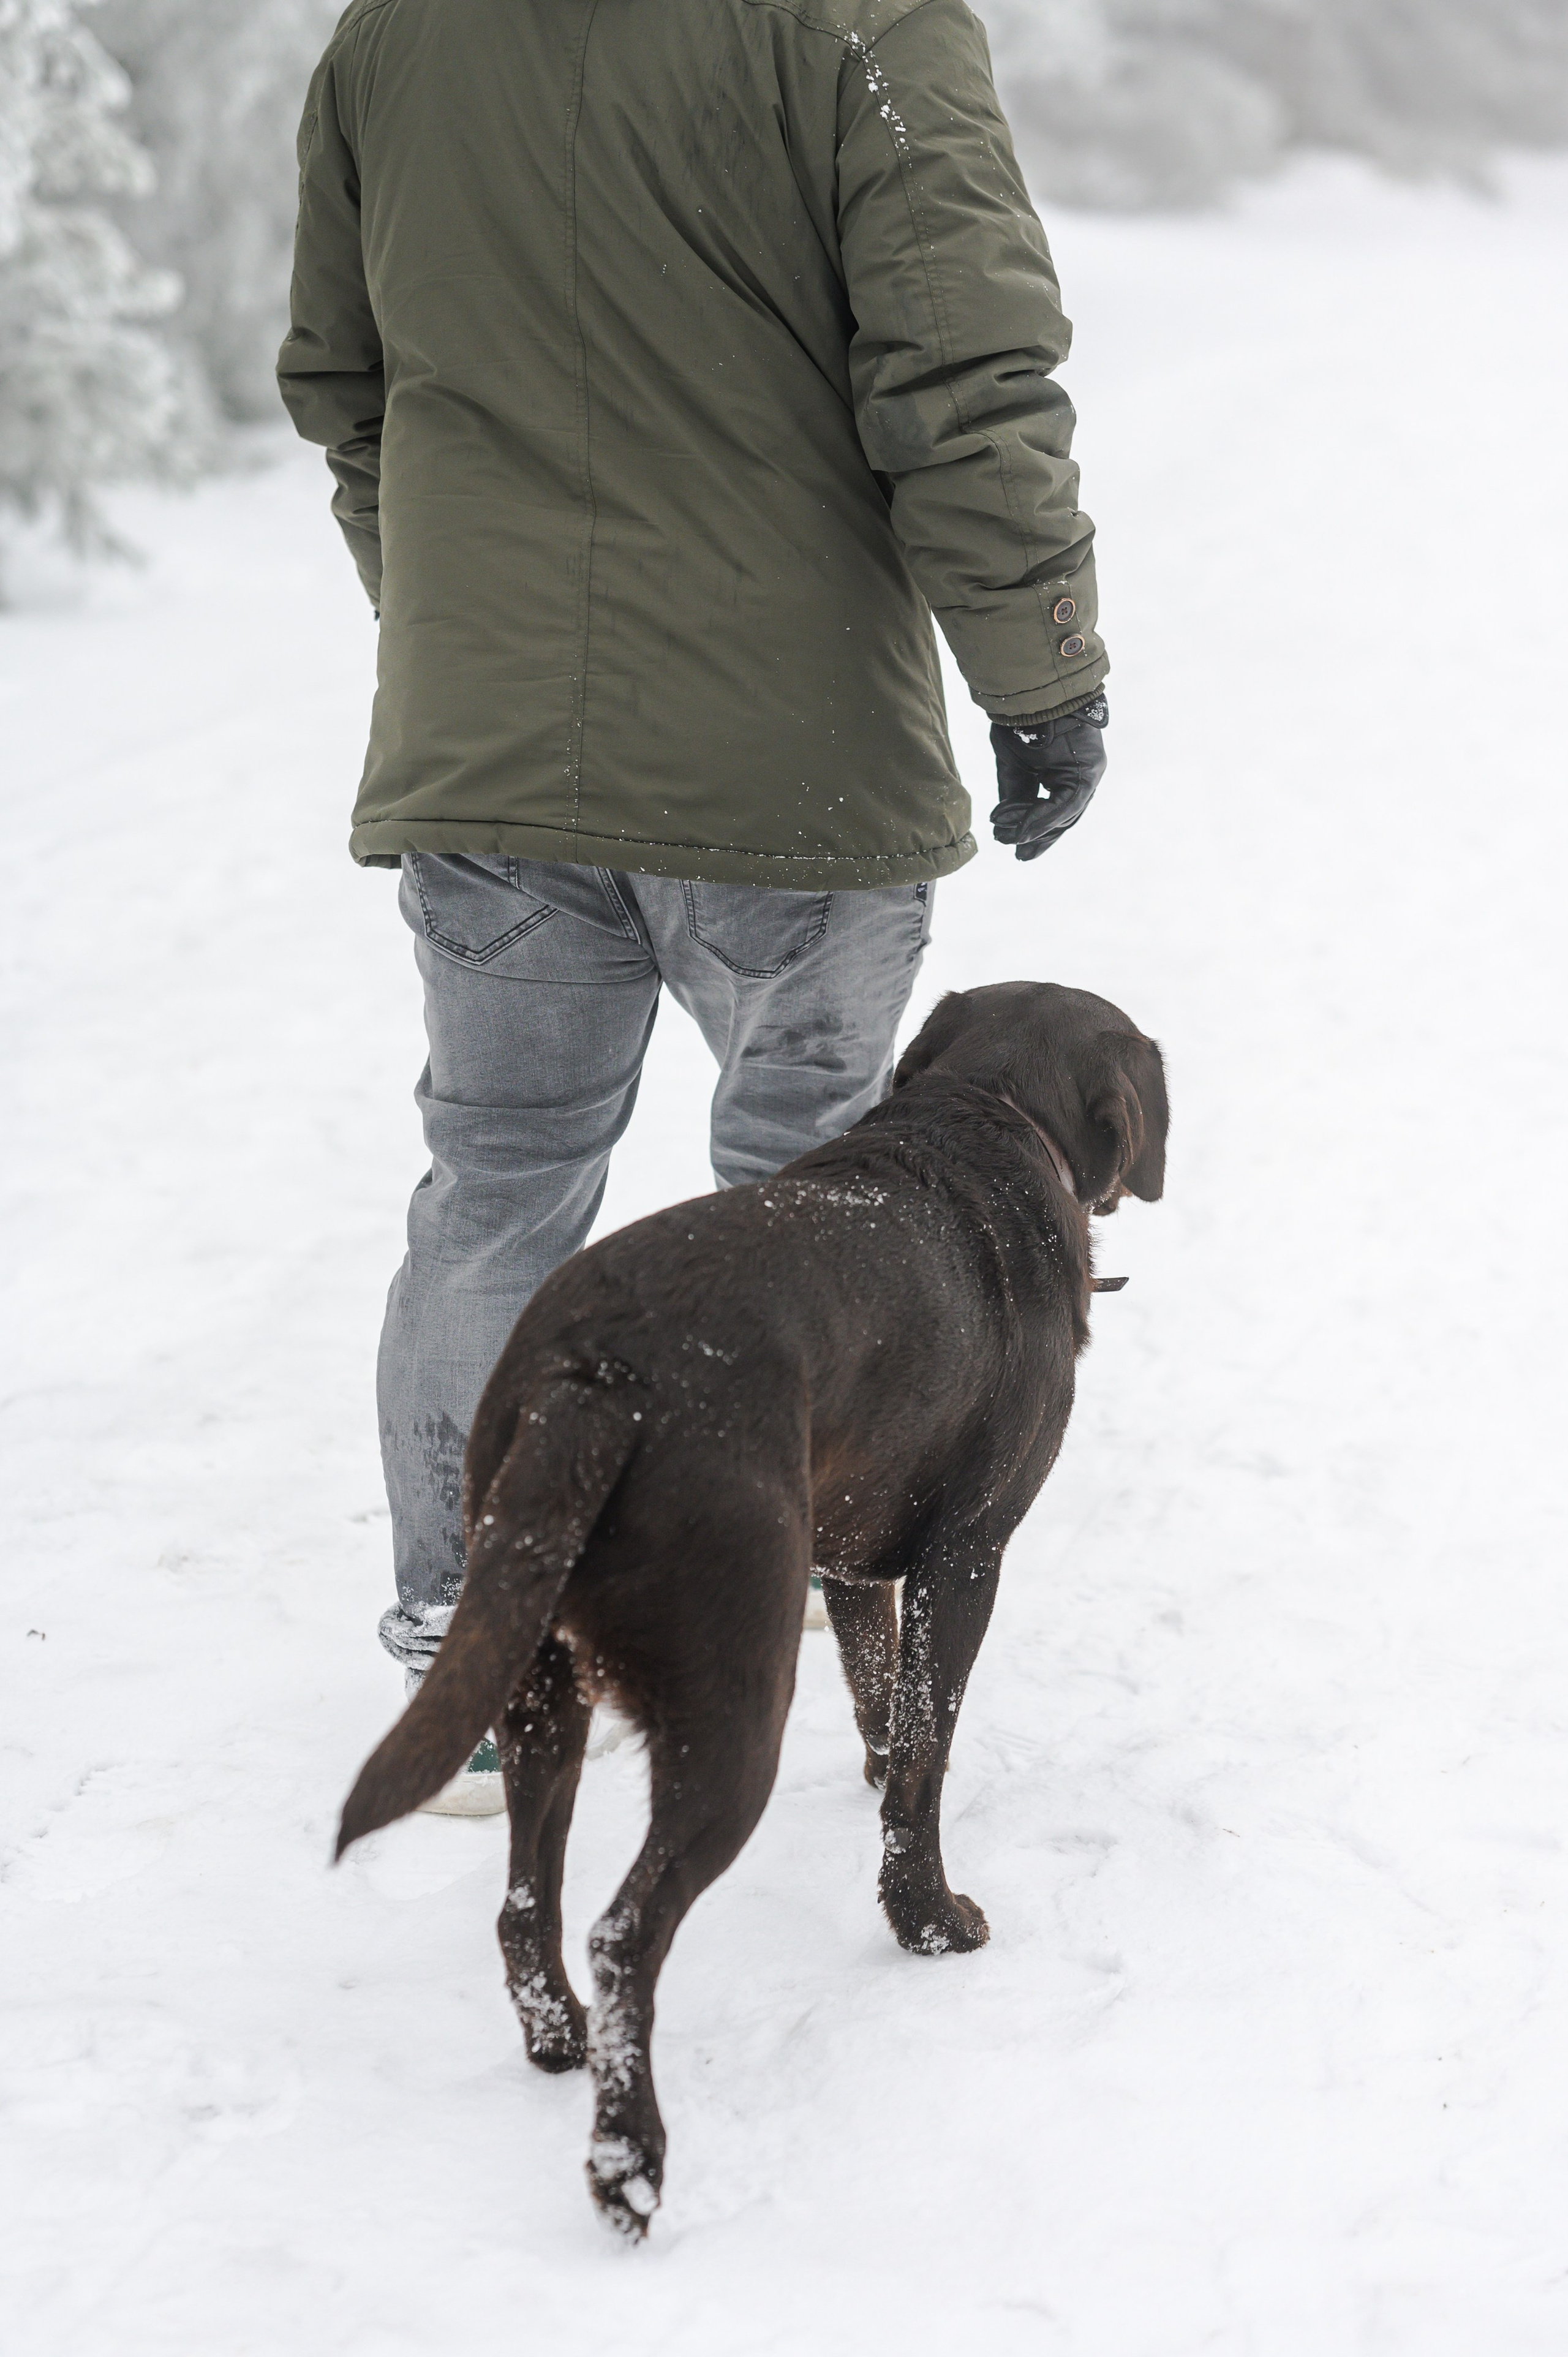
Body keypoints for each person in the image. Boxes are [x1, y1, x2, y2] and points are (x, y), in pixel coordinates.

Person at [278, 0, 1109, 1812]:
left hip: (486, 751)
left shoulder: (393, 28)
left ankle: (462, 1621)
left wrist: (455, 629)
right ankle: (796, 1584)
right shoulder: (861, 17)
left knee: (497, 1176)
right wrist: (1041, 668)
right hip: (790, 769)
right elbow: (959, 364)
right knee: (814, 1180)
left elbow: (344, 383)